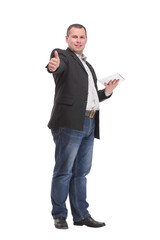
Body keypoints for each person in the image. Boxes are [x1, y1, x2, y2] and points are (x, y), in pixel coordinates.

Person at [46, 24, 119, 229]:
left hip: (89, 121)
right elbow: (57, 67)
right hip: (69, 123)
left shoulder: (87, 64)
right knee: (64, 171)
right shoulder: (63, 56)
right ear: (67, 38)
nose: (78, 40)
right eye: (74, 37)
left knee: (81, 172)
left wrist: (107, 92)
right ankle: (59, 215)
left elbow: (88, 97)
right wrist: (53, 65)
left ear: (86, 39)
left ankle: (81, 215)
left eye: (82, 37)